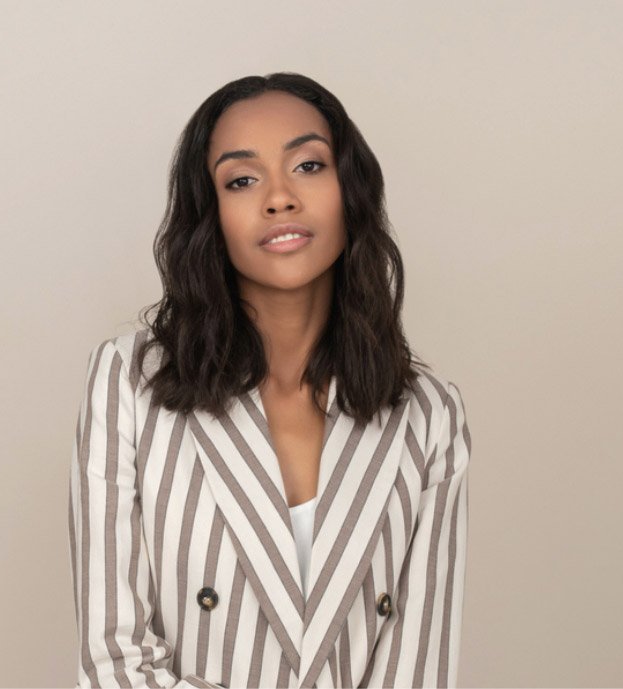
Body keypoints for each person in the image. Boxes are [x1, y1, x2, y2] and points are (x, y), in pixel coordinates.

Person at [68, 72, 471, 688]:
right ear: (211, 215)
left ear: (351, 190)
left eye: (308, 166)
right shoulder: (128, 382)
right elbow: (113, 665)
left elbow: (419, 668)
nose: (279, 197)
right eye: (242, 180)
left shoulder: (429, 416)